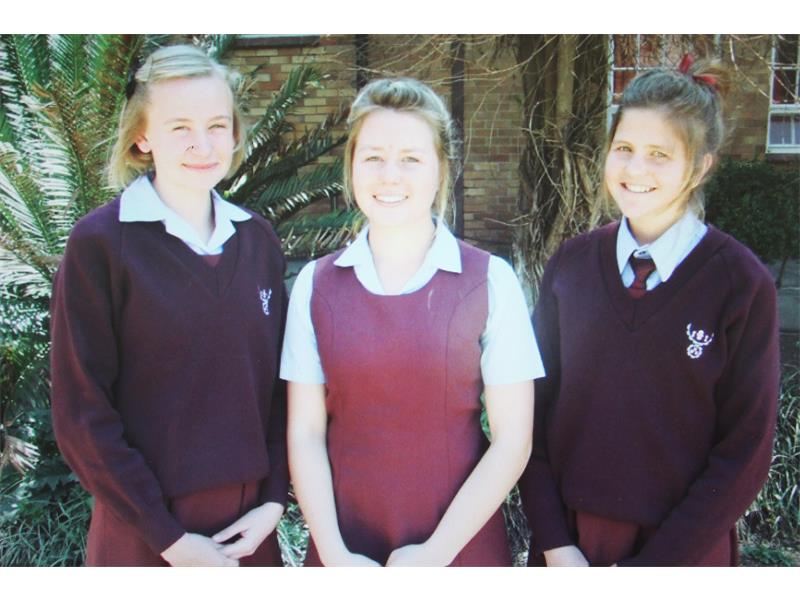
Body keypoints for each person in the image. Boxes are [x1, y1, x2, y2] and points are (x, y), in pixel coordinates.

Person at [520, 55, 779, 567]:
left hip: (683, 554)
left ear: (699, 167)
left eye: (660, 154)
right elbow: (530, 416)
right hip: (568, 550)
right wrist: (555, 543)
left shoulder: (740, 284)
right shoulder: (570, 267)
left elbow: (745, 450)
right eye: (624, 149)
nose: (635, 169)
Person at [282, 78, 543, 566]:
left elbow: (513, 440)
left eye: (410, 159)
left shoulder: (491, 282)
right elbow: (305, 434)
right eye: (373, 157)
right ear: (351, 166)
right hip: (346, 557)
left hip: (460, 555)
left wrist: (433, 557)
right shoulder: (315, 287)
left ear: (441, 169)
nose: (390, 176)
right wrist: (335, 557)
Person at [50, 45, 288, 567]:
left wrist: (273, 501)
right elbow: (82, 412)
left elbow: (279, 390)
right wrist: (169, 539)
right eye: (180, 127)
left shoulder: (258, 242)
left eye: (217, 125)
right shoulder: (101, 245)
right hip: (143, 539)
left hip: (250, 535)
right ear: (142, 136)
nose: (202, 144)